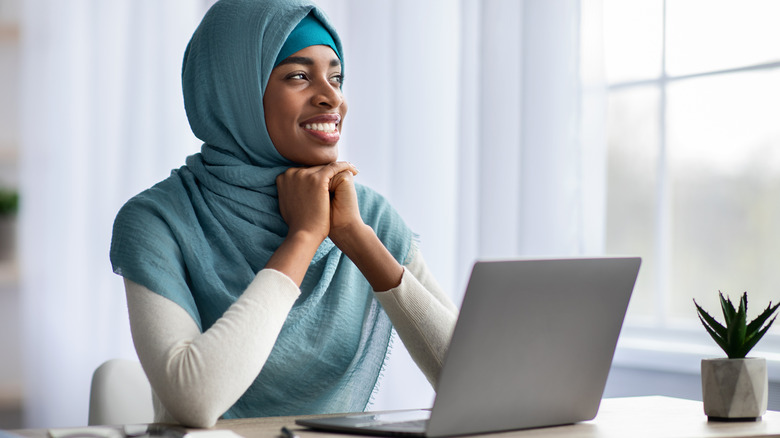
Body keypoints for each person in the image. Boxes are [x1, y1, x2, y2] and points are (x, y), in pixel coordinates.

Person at [110, 0, 457, 428]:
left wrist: (358, 239)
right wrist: (305, 236)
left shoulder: (362, 214)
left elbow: (477, 384)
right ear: (235, 88)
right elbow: (194, 399)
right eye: (298, 75)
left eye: (336, 76)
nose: (333, 98)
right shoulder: (158, 220)